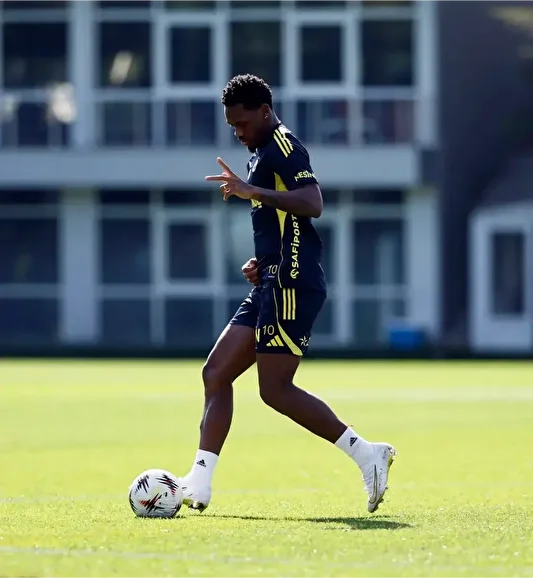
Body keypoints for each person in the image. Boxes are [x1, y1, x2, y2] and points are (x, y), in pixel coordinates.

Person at [179, 74, 397, 514]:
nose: (237, 133)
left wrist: (251, 191)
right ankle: (197, 484)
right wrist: (261, 261)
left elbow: (313, 203)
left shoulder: (284, 146)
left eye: (242, 123)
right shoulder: (259, 154)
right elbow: (284, 224)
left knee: (275, 390)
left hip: (293, 284)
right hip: (271, 280)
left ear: (265, 112)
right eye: (231, 126)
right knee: (215, 373)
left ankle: (367, 453)